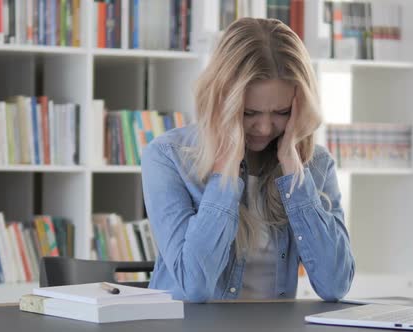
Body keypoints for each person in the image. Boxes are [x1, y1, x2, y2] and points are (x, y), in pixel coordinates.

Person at [141, 17, 354, 303]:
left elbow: (335, 284)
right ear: (221, 102)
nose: (265, 128)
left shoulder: (315, 164)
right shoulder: (168, 157)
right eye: (249, 113)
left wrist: (293, 167)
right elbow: (194, 286)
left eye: (281, 112)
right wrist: (226, 172)